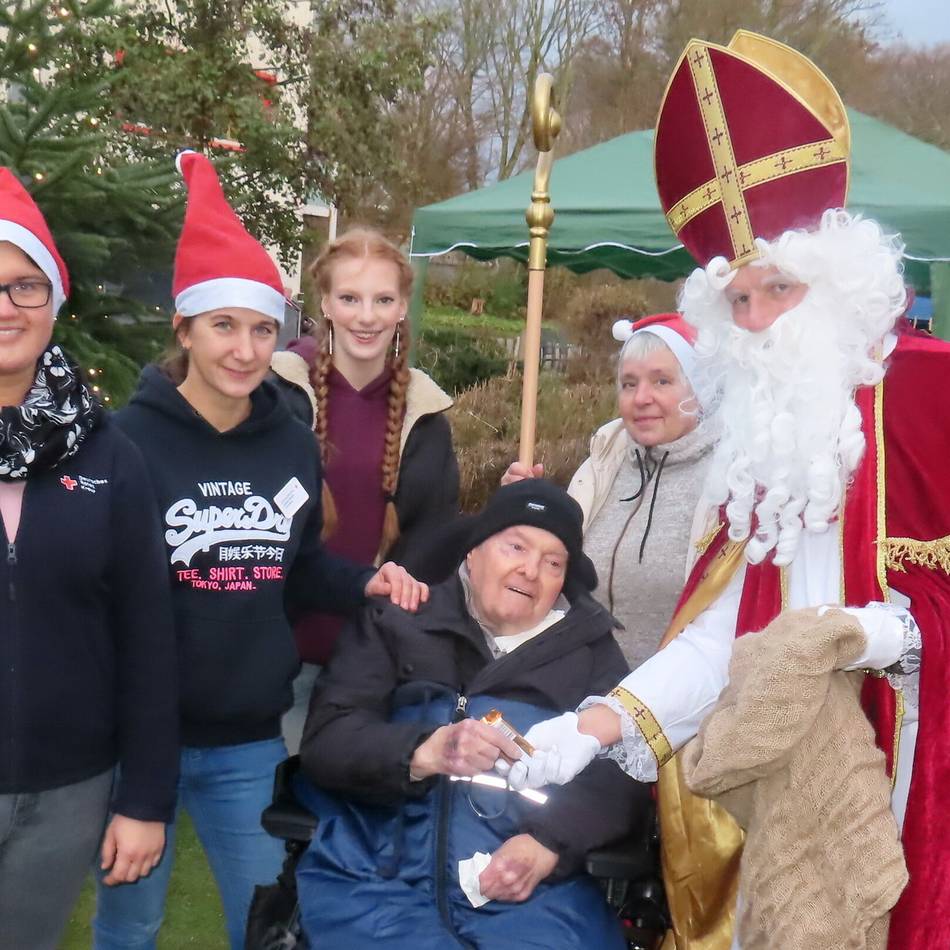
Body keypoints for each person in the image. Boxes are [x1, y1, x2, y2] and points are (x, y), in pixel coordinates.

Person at [505, 31, 948, 950]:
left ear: (837, 280)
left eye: (778, 289)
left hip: (915, 779)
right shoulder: (762, 436)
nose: (757, 324)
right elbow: (727, 640)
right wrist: (598, 724)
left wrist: (872, 634)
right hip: (787, 793)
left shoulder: (933, 391)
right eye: (738, 303)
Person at [93, 151, 428, 950]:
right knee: (129, 925)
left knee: (268, 921)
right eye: (223, 327)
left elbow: (298, 565)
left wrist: (366, 584)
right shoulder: (127, 444)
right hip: (139, 738)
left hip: (248, 737)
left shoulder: (287, 441)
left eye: (260, 329)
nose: (244, 350)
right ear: (184, 327)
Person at [294, 479, 649, 949]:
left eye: (553, 562)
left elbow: (621, 776)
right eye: (516, 547)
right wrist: (422, 751)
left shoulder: (591, 654)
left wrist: (548, 844)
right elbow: (327, 740)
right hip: (373, 877)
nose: (530, 571)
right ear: (473, 552)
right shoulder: (398, 619)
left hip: (534, 895)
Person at [0, 169, 178, 950]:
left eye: (25, 286)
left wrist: (145, 799)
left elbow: (146, 637)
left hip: (64, 794)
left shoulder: (111, 455)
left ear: (55, 299)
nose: (6, 307)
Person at [271, 227, 458, 752]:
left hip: (373, 661)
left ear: (402, 308)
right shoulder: (280, 395)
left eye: (382, 300)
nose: (366, 316)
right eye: (350, 298)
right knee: (274, 816)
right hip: (280, 651)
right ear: (326, 303)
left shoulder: (424, 415)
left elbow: (434, 538)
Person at [503, 313, 716, 668]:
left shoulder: (728, 484)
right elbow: (551, 568)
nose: (642, 398)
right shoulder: (603, 461)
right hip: (574, 689)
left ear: (700, 389)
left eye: (661, 381)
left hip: (675, 708)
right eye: (629, 384)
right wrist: (520, 513)